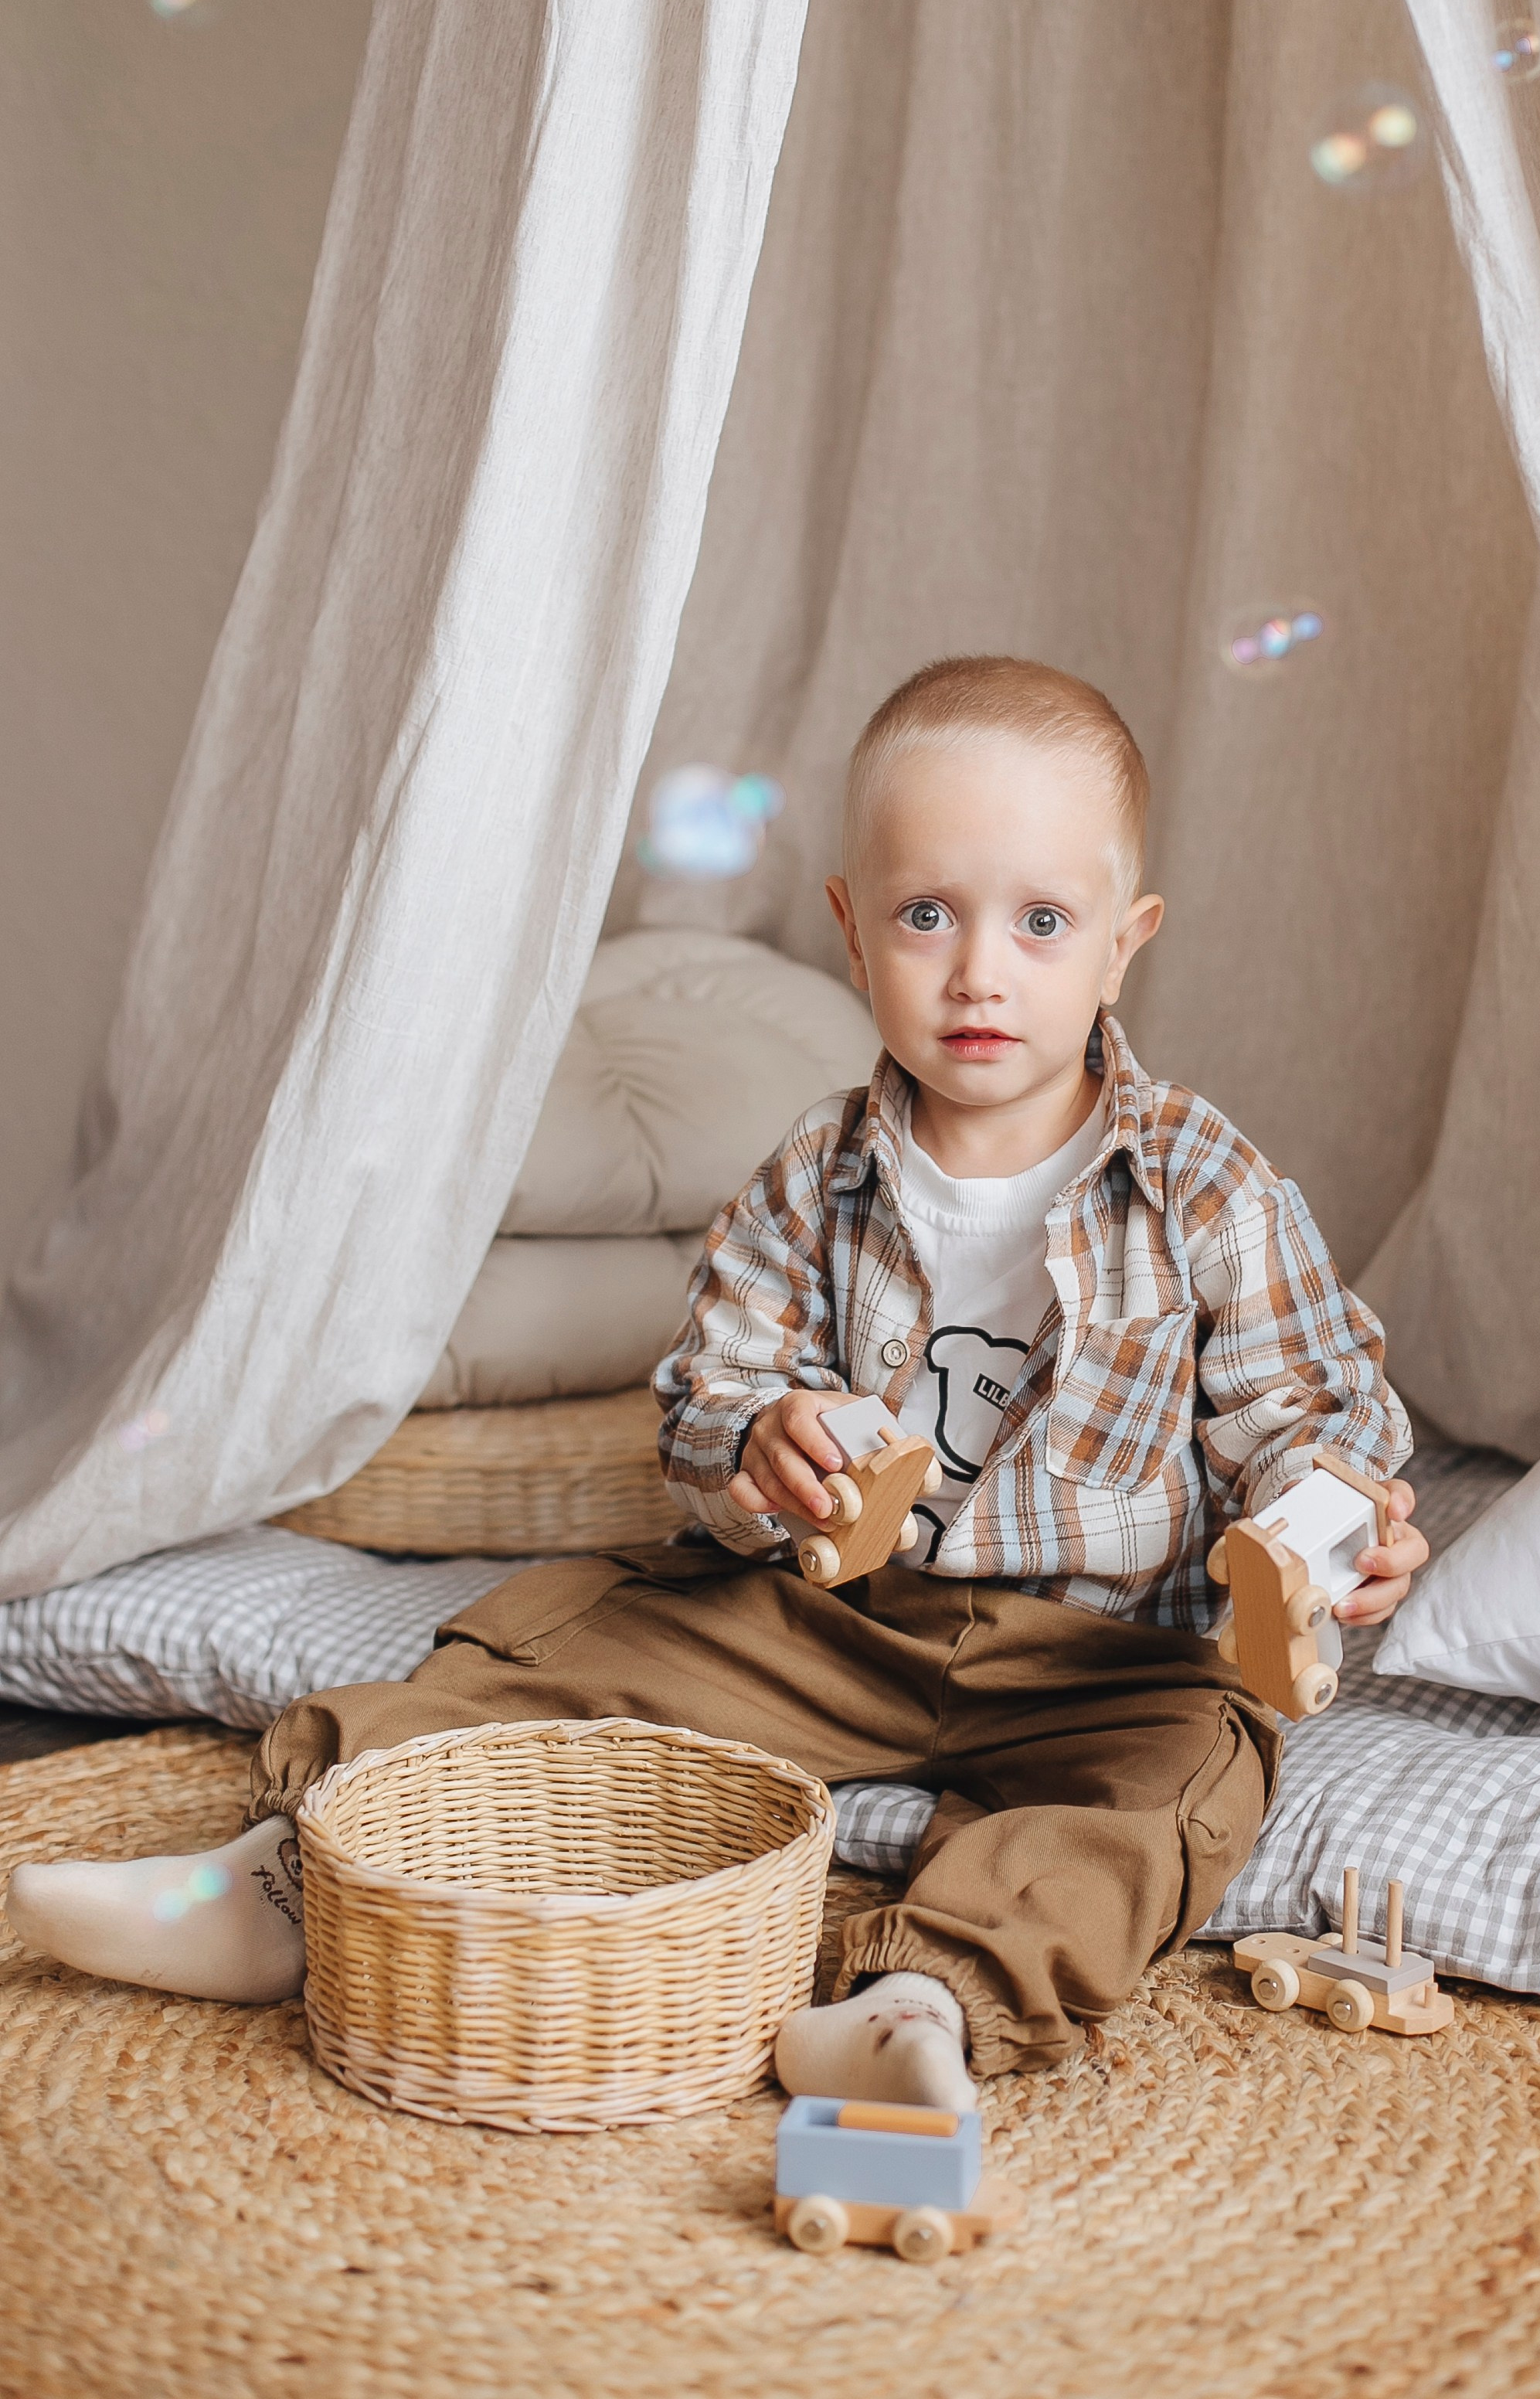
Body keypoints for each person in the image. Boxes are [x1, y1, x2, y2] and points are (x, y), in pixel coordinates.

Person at [5, 657, 1426, 2111]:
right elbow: (705, 1393)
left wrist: (1337, 1517)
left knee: (1172, 1793)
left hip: (1106, 1657)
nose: (979, 971)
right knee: (564, 1641)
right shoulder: (817, 1173)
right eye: (926, 914)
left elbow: (1305, 1407)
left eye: (1042, 922)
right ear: (851, 934)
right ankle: (291, 1881)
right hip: (834, 1620)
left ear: (1124, 947)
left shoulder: (1202, 1181)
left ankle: (916, 2004)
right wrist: (763, 1439)